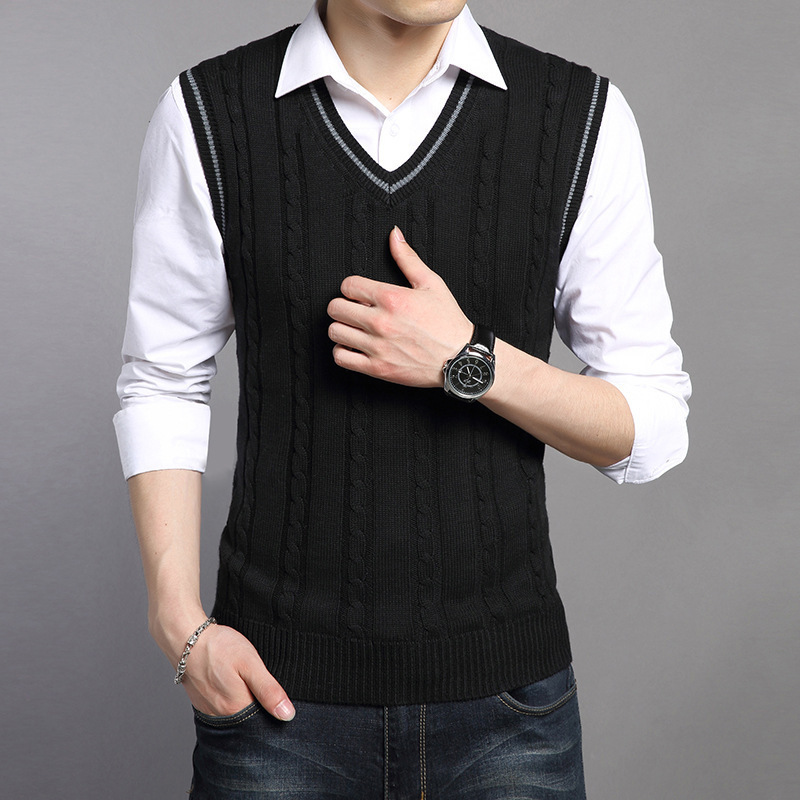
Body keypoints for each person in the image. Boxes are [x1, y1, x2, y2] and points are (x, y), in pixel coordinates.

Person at [115, 1, 690, 797]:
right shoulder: (210, 112)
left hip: (510, 718)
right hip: (273, 708)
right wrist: (178, 623)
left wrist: (469, 360)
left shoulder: (579, 115)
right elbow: (164, 380)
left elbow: (651, 429)